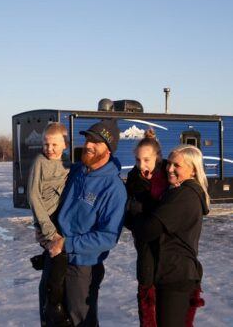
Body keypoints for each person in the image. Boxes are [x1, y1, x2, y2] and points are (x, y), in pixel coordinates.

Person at [48, 119, 127, 327]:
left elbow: (108, 237)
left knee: (80, 321)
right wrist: (45, 230)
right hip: (55, 258)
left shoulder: (114, 188)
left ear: (108, 150)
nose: (89, 144)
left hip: (83, 267)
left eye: (96, 142)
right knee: (51, 317)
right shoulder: (76, 171)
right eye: (88, 139)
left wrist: (67, 244)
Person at [132, 144, 209, 327]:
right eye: (169, 164)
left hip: (175, 275)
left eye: (177, 166)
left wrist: (134, 212)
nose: (170, 169)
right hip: (173, 273)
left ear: (193, 170)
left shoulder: (185, 195)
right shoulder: (177, 191)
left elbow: (148, 230)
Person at [27, 122, 72, 326]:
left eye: (54, 145)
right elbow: (33, 195)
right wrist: (47, 229)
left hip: (60, 223)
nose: (49, 149)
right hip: (46, 223)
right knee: (56, 260)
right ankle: (51, 310)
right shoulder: (40, 162)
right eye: (46, 144)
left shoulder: (68, 165)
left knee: (58, 265)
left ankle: (57, 308)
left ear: (65, 145)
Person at [125, 129, 169, 326]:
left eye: (146, 160)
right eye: (137, 160)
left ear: (157, 158)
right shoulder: (134, 179)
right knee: (146, 295)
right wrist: (136, 220)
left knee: (169, 303)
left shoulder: (169, 175)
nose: (141, 165)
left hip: (169, 248)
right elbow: (126, 214)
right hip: (144, 247)